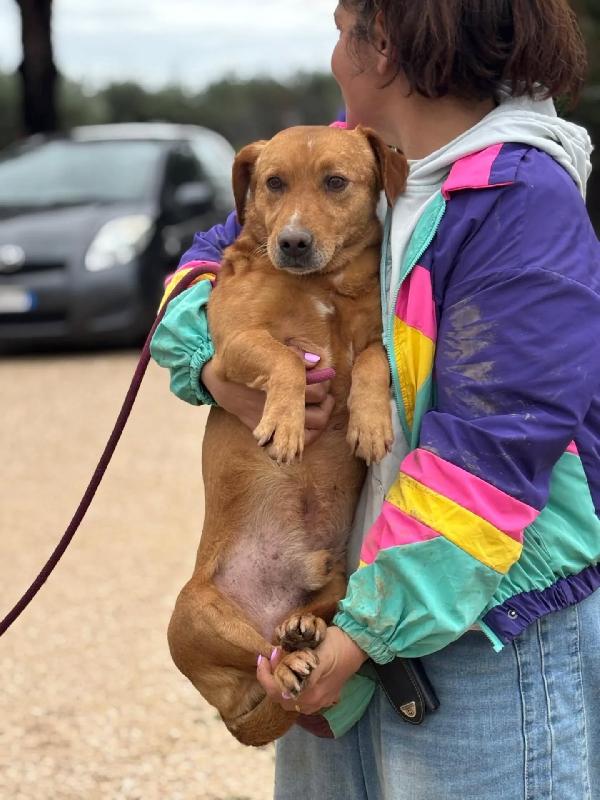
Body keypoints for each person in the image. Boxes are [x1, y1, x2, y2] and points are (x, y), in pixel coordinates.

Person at [151, 1, 600, 797]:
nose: (331, 56)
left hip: (484, 632)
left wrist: (360, 635)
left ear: (385, 46)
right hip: (347, 611)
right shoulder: (357, 155)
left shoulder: (518, 200)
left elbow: (491, 462)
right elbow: (214, 262)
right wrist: (214, 370)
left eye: (340, 27)